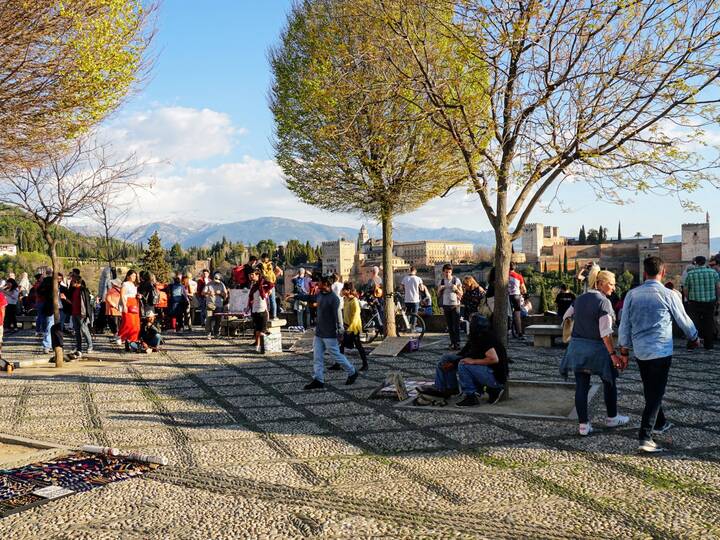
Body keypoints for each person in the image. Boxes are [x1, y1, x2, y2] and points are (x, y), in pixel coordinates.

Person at [619, 256, 699, 453]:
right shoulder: (668, 294)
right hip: (661, 350)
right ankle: (645, 437)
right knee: (656, 393)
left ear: (645, 273)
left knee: (650, 388)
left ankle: (660, 422)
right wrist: (694, 337)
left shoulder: (632, 295)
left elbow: (624, 323)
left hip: (641, 351)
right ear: (663, 273)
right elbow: (684, 320)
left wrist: (623, 349)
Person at [560, 269, 630, 436]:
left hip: (577, 348)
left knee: (581, 386)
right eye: (610, 284)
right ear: (600, 284)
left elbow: (566, 316)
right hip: (597, 349)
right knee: (609, 381)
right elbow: (605, 333)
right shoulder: (604, 302)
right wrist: (613, 355)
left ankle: (583, 425)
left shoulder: (579, 299)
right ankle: (612, 417)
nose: (613, 288)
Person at [419, 314, 508, 406]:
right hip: (487, 370)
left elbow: (493, 359)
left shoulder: (485, 338)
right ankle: (445, 389)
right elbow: (465, 353)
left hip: (495, 377)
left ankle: (471, 396)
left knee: (463, 364)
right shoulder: (475, 337)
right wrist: (452, 362)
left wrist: (471, 362)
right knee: (446, 358)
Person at [303, 275, 358, 390]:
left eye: (320, 283)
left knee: (336, 355)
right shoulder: (320, 295)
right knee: (317, 357)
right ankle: (318, 379)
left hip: (329, 334)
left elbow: (338, 317)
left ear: (326, 284)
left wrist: (340, 332)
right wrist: (295, 296)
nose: (317, 284)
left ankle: (352, 371)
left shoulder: (334, 299)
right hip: (319, 333)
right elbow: (309, 298)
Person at [683, 255, 720, 350]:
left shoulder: (690, 274)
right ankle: (709, 346)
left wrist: (689, 299)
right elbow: (718, 287)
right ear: (705, 262)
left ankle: (692, 345)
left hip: (694, 302)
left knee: (693, 324)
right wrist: (717, 298)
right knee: (709, 323)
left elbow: (686, 289)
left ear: (695, 262)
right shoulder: (713, 273)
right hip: (710, 302)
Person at [336, 282, 369, 371]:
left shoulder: (354, 301)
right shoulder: (345, 299)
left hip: (354, 328)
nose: (342, 290)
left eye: (344, 289)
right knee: (341, 345)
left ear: (349, 290)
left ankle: (365, 364)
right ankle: (338, 364)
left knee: (358, 346)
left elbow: (356, 317)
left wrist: (350, 329)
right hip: (347, 326)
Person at [437, 264, 463, 350]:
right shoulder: (441, 281)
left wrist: (456, 289)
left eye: (449, 272)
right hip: (446, 305)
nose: (447, 274)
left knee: (456, 325)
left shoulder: (456, 280)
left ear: (451, 272)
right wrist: (440, 289)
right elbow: (438, 294)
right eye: (446, 272)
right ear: (443, 272)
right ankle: (452, 342)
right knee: (450, 326)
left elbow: (461, 293)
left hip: (455, 305)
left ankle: (457, 343)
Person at [248, 269, 272, 352]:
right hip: (255, 310)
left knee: (261, 330)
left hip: (262, 309)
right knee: (258, 330)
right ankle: (259, 347)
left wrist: (264, 282)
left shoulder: (263, 284)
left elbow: (271, 285)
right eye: (250, 275)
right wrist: (248, 307)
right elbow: (250, 298)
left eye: (253, 275)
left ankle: (261, 347)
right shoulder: (253, 286)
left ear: (258, 275)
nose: (251, 276)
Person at [69, 274, 93, 355]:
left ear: (76, 282)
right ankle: (79, 348)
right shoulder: (74, 290)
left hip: (81, 313)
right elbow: (73, 302)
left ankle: (90, 345)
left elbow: (87, 303)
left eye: (72, 281)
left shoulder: (83, 290)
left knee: (84, 329)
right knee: (77, 331)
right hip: (74, 313)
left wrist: (86, 314)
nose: (71, 282)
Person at [118, 270, 141, 350]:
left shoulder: (134, 285)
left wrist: (138, 296)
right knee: (128, 323)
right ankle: (122, 337)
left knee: (136, 324)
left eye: (135, 276)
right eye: (133, 276)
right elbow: (122, 295)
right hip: (128, 303)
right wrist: (124, 305)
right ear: (128, 276)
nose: (134, 277)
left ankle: (133, 340)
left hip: (134, 304)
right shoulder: (125, 284)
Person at [204, 272, 228, 339]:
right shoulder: (208, 284)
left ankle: (217, 333)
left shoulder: (222, 284)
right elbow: (203, 292)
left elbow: (226, 295)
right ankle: (208, 333)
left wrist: (220, 293)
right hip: (210, 304)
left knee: (218, 320)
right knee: (208, 319)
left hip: (219, 304)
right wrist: (209, 292)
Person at [508, 262, 527, 339]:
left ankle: (507, 331)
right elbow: (524, 289)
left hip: (507, 296)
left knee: (507, 314)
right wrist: (523, 292)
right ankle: (519, 333)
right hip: (516, 296)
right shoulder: (518, 276)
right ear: (514, 267)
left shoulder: (504, 275)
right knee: (517, 315)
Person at [259, 253, 279, 319]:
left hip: (264, 284)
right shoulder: (272, 264)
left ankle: (265, 316)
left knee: (263, 300)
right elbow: (280, 271)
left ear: (262, 258)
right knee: (272, 300)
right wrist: (274, 277)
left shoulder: (260, 265)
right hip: (271, 283)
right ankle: (274, 315)